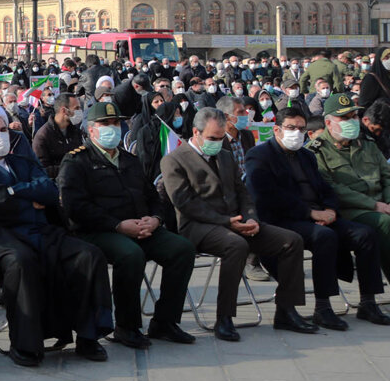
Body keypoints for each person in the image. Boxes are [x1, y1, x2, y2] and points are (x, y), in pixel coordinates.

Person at [0, 102, 113, 367]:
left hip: (37, 230)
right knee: (21, 260)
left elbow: (49, 190)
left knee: (88, 254)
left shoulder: (20, 161)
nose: (0, 135)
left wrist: (13, 192)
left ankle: (88, 336)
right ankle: (26, 344)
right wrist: (25, 196)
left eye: (3, 129)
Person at [161, 106, 317, 341]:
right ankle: (224, 318)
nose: (217, 142)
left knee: (291, 241)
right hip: (198, 226)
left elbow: (243, 192)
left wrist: (251, 217)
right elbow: (186, 203)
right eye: (212, 138)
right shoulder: (175, 160)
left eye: (221, 137)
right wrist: (227, 222)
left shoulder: (224, 155)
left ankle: (286, 310)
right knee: (236, 245)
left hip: (236, 221)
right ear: (196, 132)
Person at [58, 103, 197, 348]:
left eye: (115, 123)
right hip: (98, 231)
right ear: (91, 131)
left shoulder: (130, 160)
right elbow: (76, 207)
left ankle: (165, 321)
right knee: (131, 254)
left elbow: (153, 196)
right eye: (106, 124)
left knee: (182, 249)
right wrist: (117, 225)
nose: (113, 128)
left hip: (140, 227)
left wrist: (155, 219)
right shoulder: (77, 161)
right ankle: (127, 325)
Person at [245, 106, 390, 329]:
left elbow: (325, 188)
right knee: (324, 237)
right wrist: (310, 213)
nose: (297, 133)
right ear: (277, 130)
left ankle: (368, 302)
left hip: (317, 215)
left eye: (301, 128)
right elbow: (266, 196)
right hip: (284, 219)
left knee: (365, 235)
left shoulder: (307, 155)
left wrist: (330, 210)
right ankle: (323, 307)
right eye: (291, 128)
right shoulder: (260, 155)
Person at [309, 92, 390, 292]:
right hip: (349, 210)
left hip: (381, 204)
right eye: (344, 118)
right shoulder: (316, 151)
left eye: (353, 117)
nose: (351, 121)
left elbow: (387, 176)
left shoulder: (367, 144)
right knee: (385, 224)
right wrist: (375, 205)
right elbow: (333, 188)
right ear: (328, 123)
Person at [31, 93, 83, 181]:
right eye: (76, 108)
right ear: (64, 110)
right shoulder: (43, 136)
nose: (80, 111)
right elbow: (42, 169)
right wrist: (70, 168)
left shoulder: (75, 130)